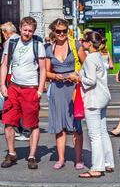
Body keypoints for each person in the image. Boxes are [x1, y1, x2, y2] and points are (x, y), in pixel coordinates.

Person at [0, 17, 46, 169]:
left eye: (30, 31)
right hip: (13, 87)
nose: (27, 33)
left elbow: (43, 69)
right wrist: (2, 85)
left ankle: (32, 156)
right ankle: (12, 154)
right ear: (20, 28)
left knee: (32, 124)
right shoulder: (11, 43)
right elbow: (4, 65)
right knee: (8, 122)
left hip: (30, 88)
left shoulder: (37, 45)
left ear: (33, 31)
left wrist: (40, 90)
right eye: (25, 30)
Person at [68, 31, 113, 178]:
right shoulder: (99, 56)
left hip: (93, 99)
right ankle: (108, 162)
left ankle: (97, 167)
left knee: (95, 135)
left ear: (89, 43)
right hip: (103, 97)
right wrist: (80, 75)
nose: (81, 43)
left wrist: (78, 79)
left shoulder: (89, 59)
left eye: (83, 41)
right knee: (103, 131)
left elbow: (91, 80)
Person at [45, 18, 86, 170]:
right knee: (59, 126)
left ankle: (78, 159)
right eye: (58, 31)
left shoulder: (75, 45)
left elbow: (87, 66)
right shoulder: (49, 48)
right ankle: (61, 159)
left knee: (76, 125)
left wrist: (76, 75)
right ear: (53, 32)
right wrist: (55, 76)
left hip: (73, 88)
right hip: (57, 88)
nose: (61, 34)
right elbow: (46, 72)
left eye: (64, 31)